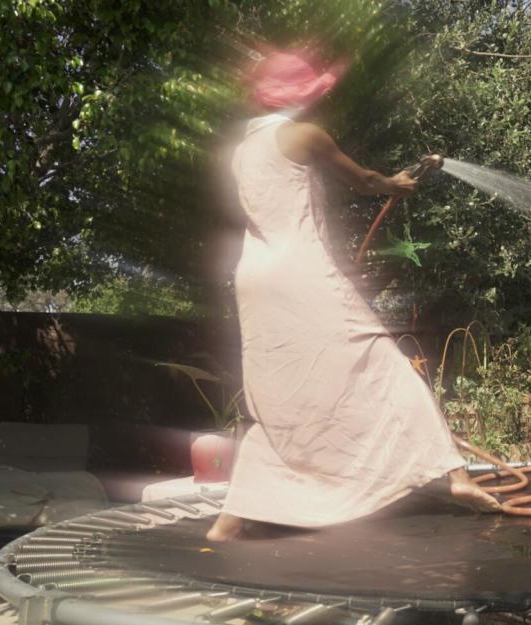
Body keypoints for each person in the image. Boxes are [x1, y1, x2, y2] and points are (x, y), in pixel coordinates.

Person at [207, 49, 500, 542]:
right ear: (303, 94)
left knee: (281, 398)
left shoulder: (241, 149)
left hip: (256, 275)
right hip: (300, 270)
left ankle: (230, 519)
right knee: (380, 364)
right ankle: (458, 478)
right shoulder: (303, 134)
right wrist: (398, 184)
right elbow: (365, 181)